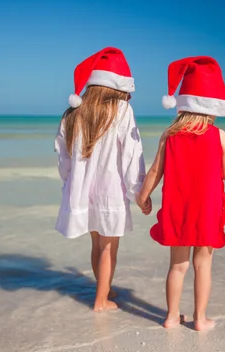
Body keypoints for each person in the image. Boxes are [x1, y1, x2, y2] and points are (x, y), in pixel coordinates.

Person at [136, 56, 225, 330]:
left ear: (183, 104)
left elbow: (155, 171)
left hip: (177, 208)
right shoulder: (220, 136)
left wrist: (142, 197)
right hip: (208, 210)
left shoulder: (171, 134)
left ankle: (170, 317)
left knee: (177, 266)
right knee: (203, 265)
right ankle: (200, 320)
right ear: (213, 106)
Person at [54, 47, 148, 312]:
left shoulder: (73, 112)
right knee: (109, 247)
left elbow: (63, 155)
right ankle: (100, 301)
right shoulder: (122, 110)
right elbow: (132, 154)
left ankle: (104, 288)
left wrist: (69, 183)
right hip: (110, 191)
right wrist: (137, 189)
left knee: (97, 243)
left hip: (83, 189)